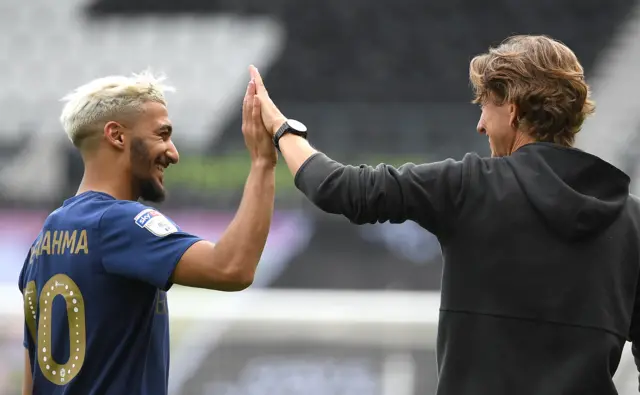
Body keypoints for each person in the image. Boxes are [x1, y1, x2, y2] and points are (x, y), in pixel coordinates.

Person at [247, 34, 640, 395]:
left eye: (487, 107)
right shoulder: (631, 218)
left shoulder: (470, 185)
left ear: (515, 111)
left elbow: (340, 189)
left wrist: (283, 131)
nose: (481, 125)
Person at [18, 71, 276, 395]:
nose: (173, 152)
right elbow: (232, 267)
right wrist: (263, 162)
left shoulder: (42, 242)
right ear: (117, 136)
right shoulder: (118, 222)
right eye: (162, 134)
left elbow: (30, 385)